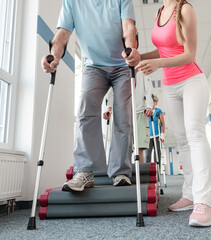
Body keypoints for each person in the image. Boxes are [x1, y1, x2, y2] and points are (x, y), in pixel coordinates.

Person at [42, 0, 141, 191]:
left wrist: (131, 49)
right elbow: (62, 34)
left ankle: (121, 171)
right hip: (93, 66)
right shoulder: (72, 2)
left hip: (122, 65)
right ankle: (85, 171)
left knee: (123, 117)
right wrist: (54, 56)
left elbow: (129, 27)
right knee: (86, 111)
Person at [133, 0, 211, 227]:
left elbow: (189, 54)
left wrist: (158, 63)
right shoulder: (160, 11)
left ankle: (204, 202)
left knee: (195, 134)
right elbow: (163, 49)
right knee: (182, 140)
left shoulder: (185, 9)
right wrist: (142, 57)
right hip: (170, 85)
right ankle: (189, 195)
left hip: (192, 80)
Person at [104, 72, 154, 163]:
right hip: (123, 113)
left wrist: (149, 106)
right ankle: (125, 173)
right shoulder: (118, 69)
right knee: (125, 149)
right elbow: (112, 90)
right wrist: (109, 108)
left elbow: (149, 89)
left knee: (139, 150)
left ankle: (139, 174)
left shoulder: (142, 70)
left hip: (140, 112)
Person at [144, 95, 165, 164]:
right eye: (152, 100)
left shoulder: (158, 111)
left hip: (157, 136)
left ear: (156, 103)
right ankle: (148, 173)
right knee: (147, 156)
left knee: (157, 156)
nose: (154, 102)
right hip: (148, 136)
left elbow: (163, 124)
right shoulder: (145, 111)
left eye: (155, 101)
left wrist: (162, 134)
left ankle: (157, 173)